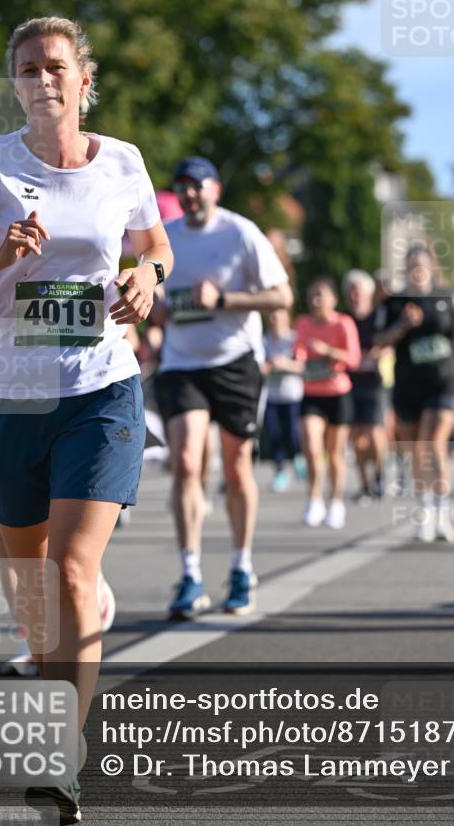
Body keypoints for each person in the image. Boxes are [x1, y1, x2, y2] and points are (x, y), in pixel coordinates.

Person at [0, 16, 172, 824]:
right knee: (32, 582)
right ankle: (60, 643)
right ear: (16, 82)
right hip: (3, 396)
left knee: (68, 570)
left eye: (56, 66)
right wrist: (1, 256)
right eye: (27, 68)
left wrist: (147, 278)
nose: (42, 78)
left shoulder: (123, 161)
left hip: (99, 385)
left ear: (83, 79)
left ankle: (61, 755)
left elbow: (155, 244)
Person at [153, 157, 292, 620]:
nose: (190, 194)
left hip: (235, 363)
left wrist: (226, 300)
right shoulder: (166, 235)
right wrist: (153, 304)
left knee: (235, 468)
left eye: (198, 186)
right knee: (188, 461)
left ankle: (240, 566)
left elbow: (281, 297)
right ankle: (190, 575)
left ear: (215, 189)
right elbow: (153, 293)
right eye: (182, 187)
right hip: (182, 363)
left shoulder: (241, 233)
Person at [373, 243, 454, 543]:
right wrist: (402, 325)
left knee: (433, 442)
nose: (417, 269)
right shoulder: (394, 302)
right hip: (409, 384)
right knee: (416, 447)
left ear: (431, 267)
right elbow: (379, 341)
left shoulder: (447, 296)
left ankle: (443, 512)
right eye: (411, 264)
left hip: (443, 380)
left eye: (421, 264)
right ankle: (425, 509)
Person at [295, 277, 360, 529]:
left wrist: (327, 351)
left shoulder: (343, 323)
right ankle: (314, 499)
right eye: (312, 296)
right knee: (311, 447)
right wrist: (298, 358)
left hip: (337, 392)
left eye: (321, 296)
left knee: (334, 453)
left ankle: (335, 502)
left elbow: (353, 359)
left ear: (333, 299)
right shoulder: (302, 323)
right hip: (312, 392)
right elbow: (299, 351)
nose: (315, 301)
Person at [342, 269, 387, 499]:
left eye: (358, 291)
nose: (354, 296)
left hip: (375, 383)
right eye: (350, 291)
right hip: (350, 383)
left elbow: (388, 343)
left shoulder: (379, 316)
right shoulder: (344, 320)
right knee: (357, 439)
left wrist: (374, 355)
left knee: (376, 434)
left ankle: (380, 475)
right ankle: (365, 485)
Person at [261, 308, 306, 492]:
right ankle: (280, 470)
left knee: (292, 433)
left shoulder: (295, 339)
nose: (274, 320)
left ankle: (298, 457)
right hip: (271, 396)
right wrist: (270, 366)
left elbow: (303, 366)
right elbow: (259, 367)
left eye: (278, 316)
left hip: (292, 395)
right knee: (273, 434)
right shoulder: (263, 341)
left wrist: (285, 364)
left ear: (287, 318)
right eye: (271, 316)